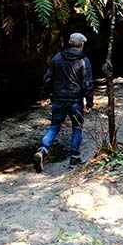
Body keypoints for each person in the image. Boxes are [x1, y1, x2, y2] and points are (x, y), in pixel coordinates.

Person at [33, 32, 94, 173]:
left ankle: (42, 149)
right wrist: (89, 102)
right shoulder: (84, 60)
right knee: (77, 128)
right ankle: (74, 157)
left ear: (70, 43)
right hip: (75, 101)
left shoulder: (57, 57)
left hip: (58, 99)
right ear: (82, 44)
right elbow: (88, 83)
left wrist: (44, 96)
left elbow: (47, 78)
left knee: (54, 126)